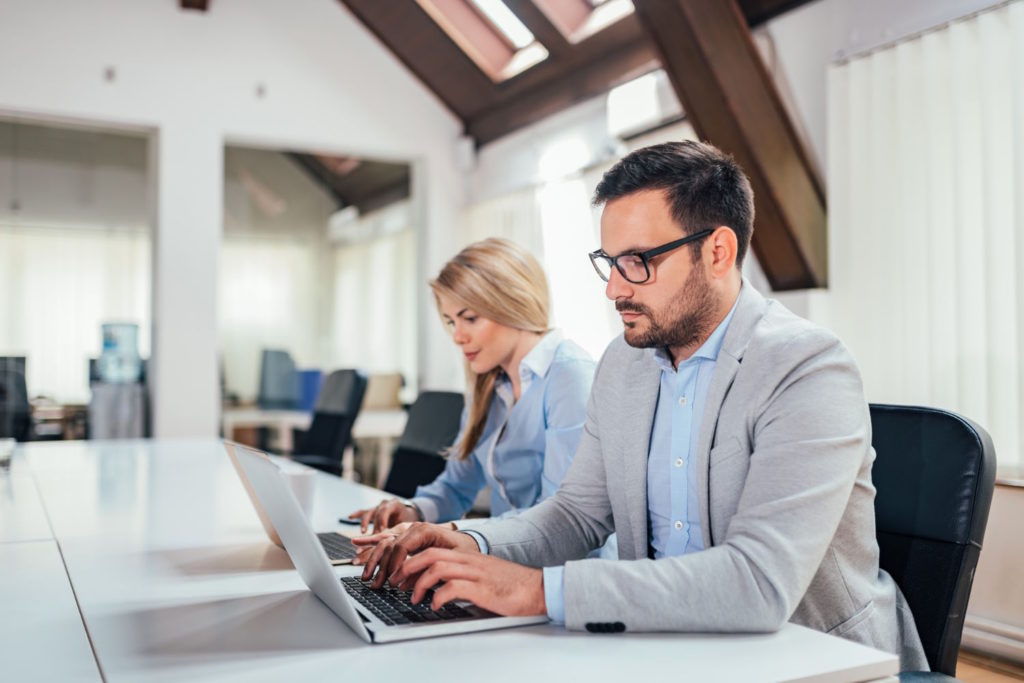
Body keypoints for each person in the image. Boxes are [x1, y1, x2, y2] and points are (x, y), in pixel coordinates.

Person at [355, 141, 928, 670]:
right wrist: (470, 542)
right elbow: (576, 514)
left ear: (718, 252)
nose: (614, 289)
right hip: (666, 644)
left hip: (811, 659)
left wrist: (531, 589)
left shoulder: (807, 368)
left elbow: (758, 583)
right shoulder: (624, 364)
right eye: (608, 262)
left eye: (638, 261)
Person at [348, 238, 596, 537]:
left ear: (513, 305)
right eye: (451, 322)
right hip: (508, 562)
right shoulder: (490, 386)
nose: (458, 336)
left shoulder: (570, 377)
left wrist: (452, 532)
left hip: (563, 574)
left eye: (470, 319)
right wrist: (413, 511)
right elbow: (456, 486)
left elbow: (560, 517)